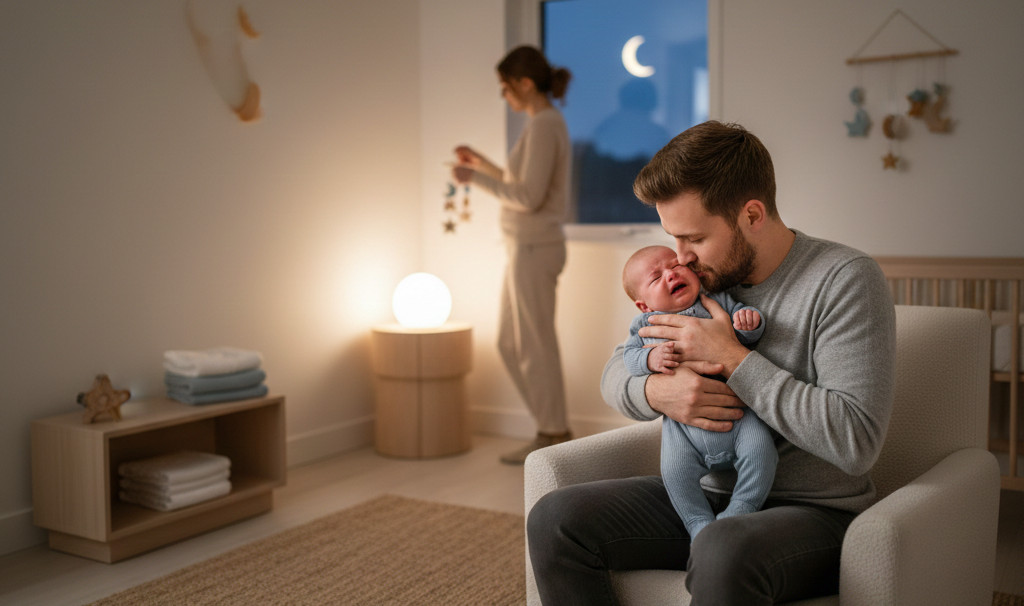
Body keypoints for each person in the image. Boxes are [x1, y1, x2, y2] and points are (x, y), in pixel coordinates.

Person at [527, 121, 896, 605]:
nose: (680, 259)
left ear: (751, 214)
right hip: (705, 498)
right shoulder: (698, 284)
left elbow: (856, 442)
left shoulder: (843, 280)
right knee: (556, 519)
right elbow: (616, 371)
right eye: (673, 239)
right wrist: (659, 393)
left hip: (814, 514)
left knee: (723, 547)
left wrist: (733, 357)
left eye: (694, 239)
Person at [451, 46, 573, 465]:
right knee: (510, 342)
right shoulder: (541, 124)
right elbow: (518, 183)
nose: (505, 96)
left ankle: (552, 432)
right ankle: (550, 427)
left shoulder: (545, 125)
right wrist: (482, 165)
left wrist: (474, 179)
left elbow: (526, 196)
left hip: (535, 247)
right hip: (524, 247)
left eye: (506, 88)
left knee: (535, 344)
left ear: (523, 83)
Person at [621, 244, 776, 539]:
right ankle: (697, 523)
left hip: (739, 417)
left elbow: (744, 332)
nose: (670, 274)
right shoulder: (645, 324)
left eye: (676, 266)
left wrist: (749, 323)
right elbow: (629, 359)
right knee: (674, 473)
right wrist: (650, 359)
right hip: (683, 432)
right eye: (656, 278)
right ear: (644, 305)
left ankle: (742, 506)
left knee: (761, 450)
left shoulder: (715, 301)